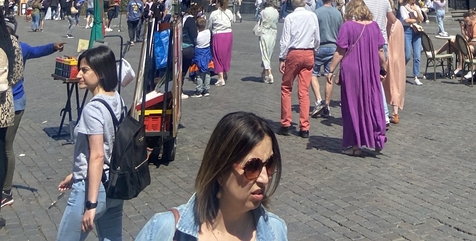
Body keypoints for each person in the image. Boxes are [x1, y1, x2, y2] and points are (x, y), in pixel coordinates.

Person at [135, 111, 287, 241]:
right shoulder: (166, 230)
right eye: (253, 167)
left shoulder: (275, 230)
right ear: (220, 171)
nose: (264, 179)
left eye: (270, 164)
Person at [55, 45, 123, 241]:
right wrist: (74, 174)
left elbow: (97, 155)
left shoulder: (92, 109)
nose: (79, 75)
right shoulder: (117, 99)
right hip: (114, 186)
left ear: (100, 73)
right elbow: (111, 145)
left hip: (91, 189)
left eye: (85, 70)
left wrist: (90, 205)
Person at [4, 24, 64, 207]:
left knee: (6, 145)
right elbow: (37, 50)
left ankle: (6, 192)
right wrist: (53, 46)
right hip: (8, 103)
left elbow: (38, 50)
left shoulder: (18, 48)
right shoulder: (19, 47)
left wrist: (53, 47)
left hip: (15, 103)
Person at [328, 0, 387, 156]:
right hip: (370, 70)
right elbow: (380, 51)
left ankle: (355, 145)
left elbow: (340, 51)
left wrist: (331, 70)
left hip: (351, 70)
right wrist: (384, 68)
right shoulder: (374, 26)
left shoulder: (347, 26)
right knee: (373, 102)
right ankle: (377, 137)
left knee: (353, 106)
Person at [278, 0, 319, 137]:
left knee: (286, 88)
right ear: (304, 3)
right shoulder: (312, 16)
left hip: (294, 53)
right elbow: (317, 36)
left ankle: (285, 123)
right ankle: (304, 127)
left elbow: (285, 40)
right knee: (304, 91)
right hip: (308, 53)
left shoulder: (290, 18)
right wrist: (314, 50)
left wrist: (282, 58)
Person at [0, 13, 23, 227]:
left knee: (3, 150)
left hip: (4, 103)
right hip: (4, 104)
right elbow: (16, 75)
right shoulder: (11, 42)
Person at [310, 0, 343, 118]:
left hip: (319, 47)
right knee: (329, 76)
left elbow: (313, 31)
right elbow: (341, 32)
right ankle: (327, 105)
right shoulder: (338, 14)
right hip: (333, 48)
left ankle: (319, 100)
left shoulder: (316, 13)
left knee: (313, 74)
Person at [399, 0, 426, 85]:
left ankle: (415, 76)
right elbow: (406, 20)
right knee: (407, 55)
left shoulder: (416, 7)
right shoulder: (403, 7)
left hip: (417, 31)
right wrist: (417, 19)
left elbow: (422, 18)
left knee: (417, 55)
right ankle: (401, 71)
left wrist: (417, 11)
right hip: (407, 30)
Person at [208, 0, 234, 86]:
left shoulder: (214, 14)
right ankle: (224, 72)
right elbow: (232, 22)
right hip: (228, 34)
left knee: (217, 56)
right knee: (226, 55)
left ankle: (220, 78)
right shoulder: (230, 12)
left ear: (219, 2)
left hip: (218, 35)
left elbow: (210, 26)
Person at [257, 0, 279, 84]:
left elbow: (259, 20)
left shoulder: (263, 12)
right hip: (273, 33)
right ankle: (263, 73)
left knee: (264, 52)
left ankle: (269, 73)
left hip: (264, 33)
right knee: (268, 53)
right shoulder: (276, 12)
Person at [180, 5, 198, 99]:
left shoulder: (182, 18)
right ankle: (179, 90)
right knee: (182, 71)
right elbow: (194, 34)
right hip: (187, 48)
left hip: (178, 47)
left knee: (178, 70)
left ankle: (177, 89)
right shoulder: (190, 20)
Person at [191, 16, 212, 97]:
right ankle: (206, 89)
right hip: (207, 52)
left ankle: (198, 90)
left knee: (199, 72)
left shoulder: (197, 35)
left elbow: (195, 42)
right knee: (207, 72)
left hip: (199, 53)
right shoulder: (208, 32)